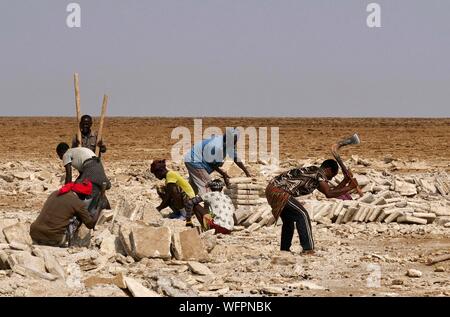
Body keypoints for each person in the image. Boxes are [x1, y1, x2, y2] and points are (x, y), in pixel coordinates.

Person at [265, 159, 358, 254]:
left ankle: (284, 250)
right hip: (278, 191)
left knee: (288, 221)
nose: (330, 179)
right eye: (332, 176)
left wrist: (345, 181)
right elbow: (329, 193)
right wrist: (350, 187)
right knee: (303, 215)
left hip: (271, 190)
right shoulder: (318, 173)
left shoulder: (314, 174)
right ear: (328, 170)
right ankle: (308, 249)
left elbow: (331, 192)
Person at [30, 179, 100, 247]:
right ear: (82, 194)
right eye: (85, 196)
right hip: (53, 238)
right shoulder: (78, 203)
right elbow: (90, 224)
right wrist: (99, 208)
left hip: (35, 233)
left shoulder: (55, 193)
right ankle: (69, 242)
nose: (85, 199)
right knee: (77, 218)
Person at [184, 128, 251, 195]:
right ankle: (208, 204)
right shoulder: (216, 146)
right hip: (195, 160)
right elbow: (212, 164)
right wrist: (224, 175)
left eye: (235, 141)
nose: (234, 143)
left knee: (194, 186)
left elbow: (235, 158)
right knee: (207, 184)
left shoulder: (230, 143)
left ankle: (185, 201)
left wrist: (247, 172)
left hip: (195, 160)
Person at [56, 142, 111, 213]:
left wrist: (66, 190)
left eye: (59, 155)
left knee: (87, 190)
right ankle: (109, 210)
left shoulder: (66, 154)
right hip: (98, 164)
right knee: (98, 188)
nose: (60, 158)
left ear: (61, 152)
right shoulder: (76, 151)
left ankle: (88, 213)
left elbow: (69, 174)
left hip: (90, 166)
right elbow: (82, 174)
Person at [150, 159, 203, 227]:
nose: (156, 177)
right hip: (186, 201)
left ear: (160, 171)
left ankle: (184, 214)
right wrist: (160, 207)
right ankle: (178, 212)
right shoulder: (168, 178)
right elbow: (168, 196)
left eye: (155, 174)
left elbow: (171, 194)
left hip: (189, 201)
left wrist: (159, 208)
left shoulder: (170, 174)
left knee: (173, 190)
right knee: (162, 190)